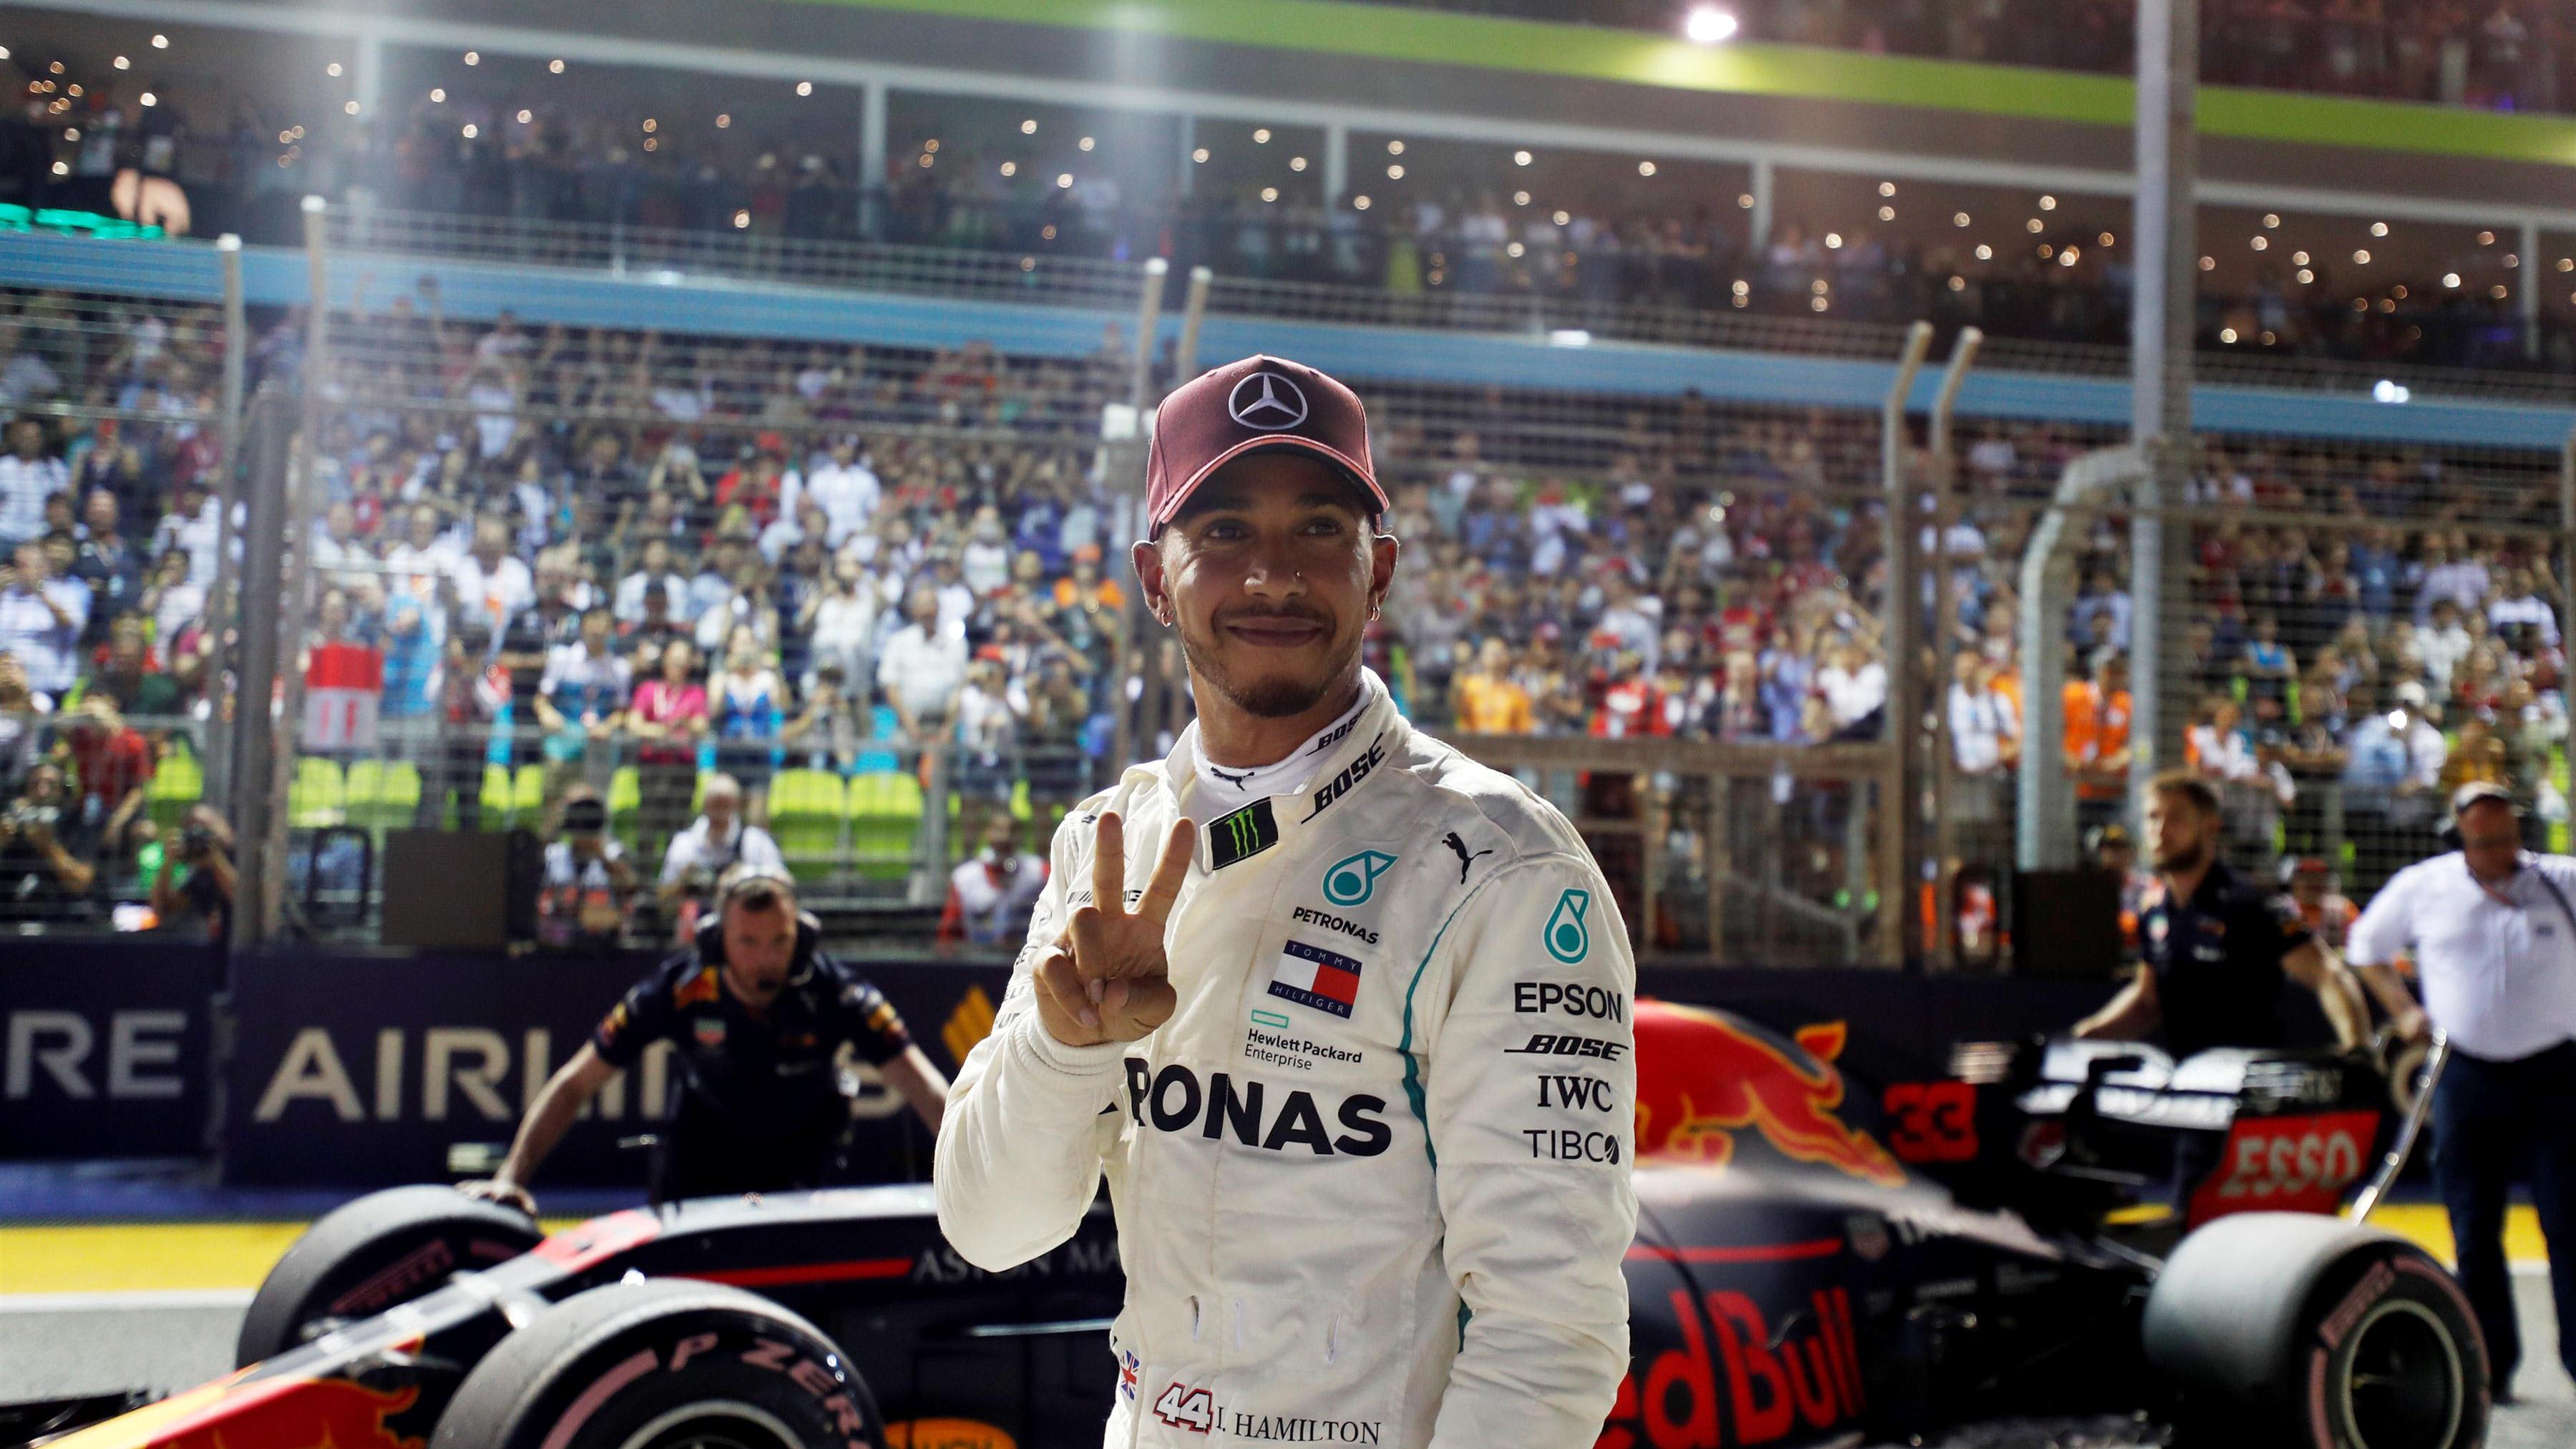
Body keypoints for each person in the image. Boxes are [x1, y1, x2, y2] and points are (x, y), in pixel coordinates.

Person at [935, 353, 1636, 1446]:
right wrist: (1065, 1048)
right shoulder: (1107, 847)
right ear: (1155, 577)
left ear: (1379, 568)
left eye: (1318, 528)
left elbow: (1551, 1332)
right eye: (1223, 531)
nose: (1272, 574)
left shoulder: (1504, 868)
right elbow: (990, 1229)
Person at [462, 868, 948, 1209]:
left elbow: (926, 1088)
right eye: (748, 942)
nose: (766, 959)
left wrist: (980, 1187)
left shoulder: (837, 991)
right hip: (697, 1169)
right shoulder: (680, 989)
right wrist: (510, 1179)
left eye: (780, 940)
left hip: (799, 1171)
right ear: (717, 941)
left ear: (802, 935)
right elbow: (574, 1084)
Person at [2342, 782, 2576, 1402]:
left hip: (2555, 1072)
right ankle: (2489, 1363)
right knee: (2473, 1225)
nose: (2500, 851)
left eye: (2508, 838)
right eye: (2485, 841)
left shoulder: (2560, 881)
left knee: (2569, 1221)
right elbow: (2365, 947)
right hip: (2465, 1071)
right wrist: (2402, 1008)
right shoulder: (2425, 886)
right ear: (2459, 839)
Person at [2075, 771, 2368, 1058]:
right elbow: (2147, 1001)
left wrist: (2358, 1050)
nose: (2161, 830)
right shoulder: (2154, 911)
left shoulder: (2252, 904)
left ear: (2211, 824)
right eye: (2153, 817)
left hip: (2248, 1076)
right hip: (2185, 1078)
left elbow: (2329, 974)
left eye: (2176, 817)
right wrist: (2086, 1035)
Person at [658, 771, 785, 932]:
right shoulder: (684, 844)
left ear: (737, 806)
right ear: (705, 804)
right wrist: (683, 882)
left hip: (746, 926)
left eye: (725, 805)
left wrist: (746, 881)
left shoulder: (755, 841)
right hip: (692, 929)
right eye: (715, 804)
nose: (719, 812)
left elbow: (784, 885)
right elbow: (663, 901)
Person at [538, 786, 638, 950]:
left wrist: (600, 855)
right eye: (576, 810)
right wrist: (553, 824)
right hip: (556, 947)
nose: (582, 816)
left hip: (604, 947)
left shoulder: (614, 854)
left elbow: (631, 887)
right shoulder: (553, 855)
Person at [937, 811, 1048, 949]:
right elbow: (948, 936)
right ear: (987, 833)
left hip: (1028, 956)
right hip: (979, 956)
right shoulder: (965, 879)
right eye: (999, 830)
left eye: (1012, 831)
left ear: (1020, 836)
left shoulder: (1039, 873)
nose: (1005, 838)